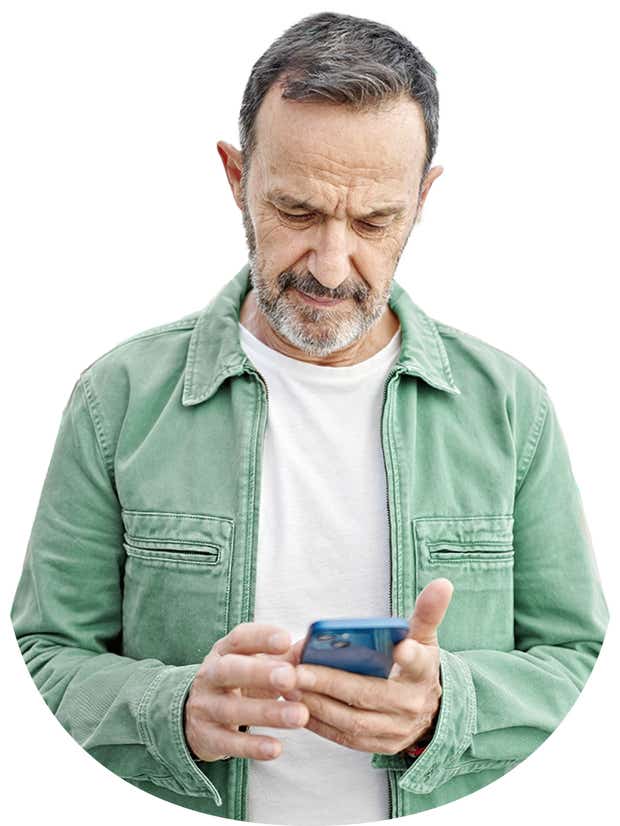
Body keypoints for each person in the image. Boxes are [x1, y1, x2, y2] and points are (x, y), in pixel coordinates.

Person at [10, 10, 609, 826]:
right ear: (235, 178)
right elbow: (40, 660)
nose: (331, 265)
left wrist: (447, 707)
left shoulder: (512, 407)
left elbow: (583, 666)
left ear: (423, 198)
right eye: (296, 210)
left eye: (373, 222)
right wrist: (175, 710)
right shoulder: (114, 399)